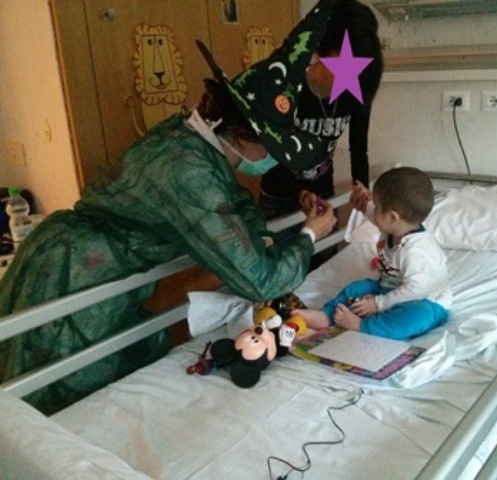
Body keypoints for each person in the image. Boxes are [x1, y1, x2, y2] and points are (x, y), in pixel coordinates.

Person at [0, 0, 338, 414]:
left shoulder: (190, 141)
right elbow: (261, 282)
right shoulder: (188, 171)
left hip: (91, 264)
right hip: (73, 273)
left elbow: (234, 203)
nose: (271, 161)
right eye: (271, 150)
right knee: (56, 396)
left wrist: (263, 235)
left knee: (113, 371)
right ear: (245, 137)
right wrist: (309, 235)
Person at [258, 0, 384, 269]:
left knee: (322, 270)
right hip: (280, 195)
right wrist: (299, 193)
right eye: (344, 64)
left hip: (322, 195)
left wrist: (361, 186)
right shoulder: (288, 90)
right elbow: (268, 154)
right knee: (279, 274)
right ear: (320, 51)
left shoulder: (358, 89)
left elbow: (358, 147)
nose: (351, 76)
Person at [293, 167, 453, 340]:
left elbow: (415, 290)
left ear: (392, 217)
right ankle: (326, 315)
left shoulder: (417, 253)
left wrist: (378, 304)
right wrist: (363, 204)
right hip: (388, 288)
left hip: (424, 299)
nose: (372, 209)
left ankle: (362, 326)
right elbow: (374, 215)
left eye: (376, 206)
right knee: (360, 287)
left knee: (417, 316)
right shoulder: (394, 227)